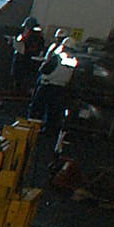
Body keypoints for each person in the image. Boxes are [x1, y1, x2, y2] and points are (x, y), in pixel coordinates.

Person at [30, 37, 76, 180]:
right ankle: (49, 131)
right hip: (60, 89)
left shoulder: (58, 56)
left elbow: (45, 69)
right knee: (54, 112)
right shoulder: (73, 60)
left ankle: (32, 128)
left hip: (47, 85)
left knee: (37, 108)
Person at [12, 16, 47, 95]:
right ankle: (20, 90)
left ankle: (22, 91)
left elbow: (30, 48)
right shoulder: (37, 35)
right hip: (26, 58)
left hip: (26, 59)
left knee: (23, 76)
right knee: (20, 76)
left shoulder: (34, 36)